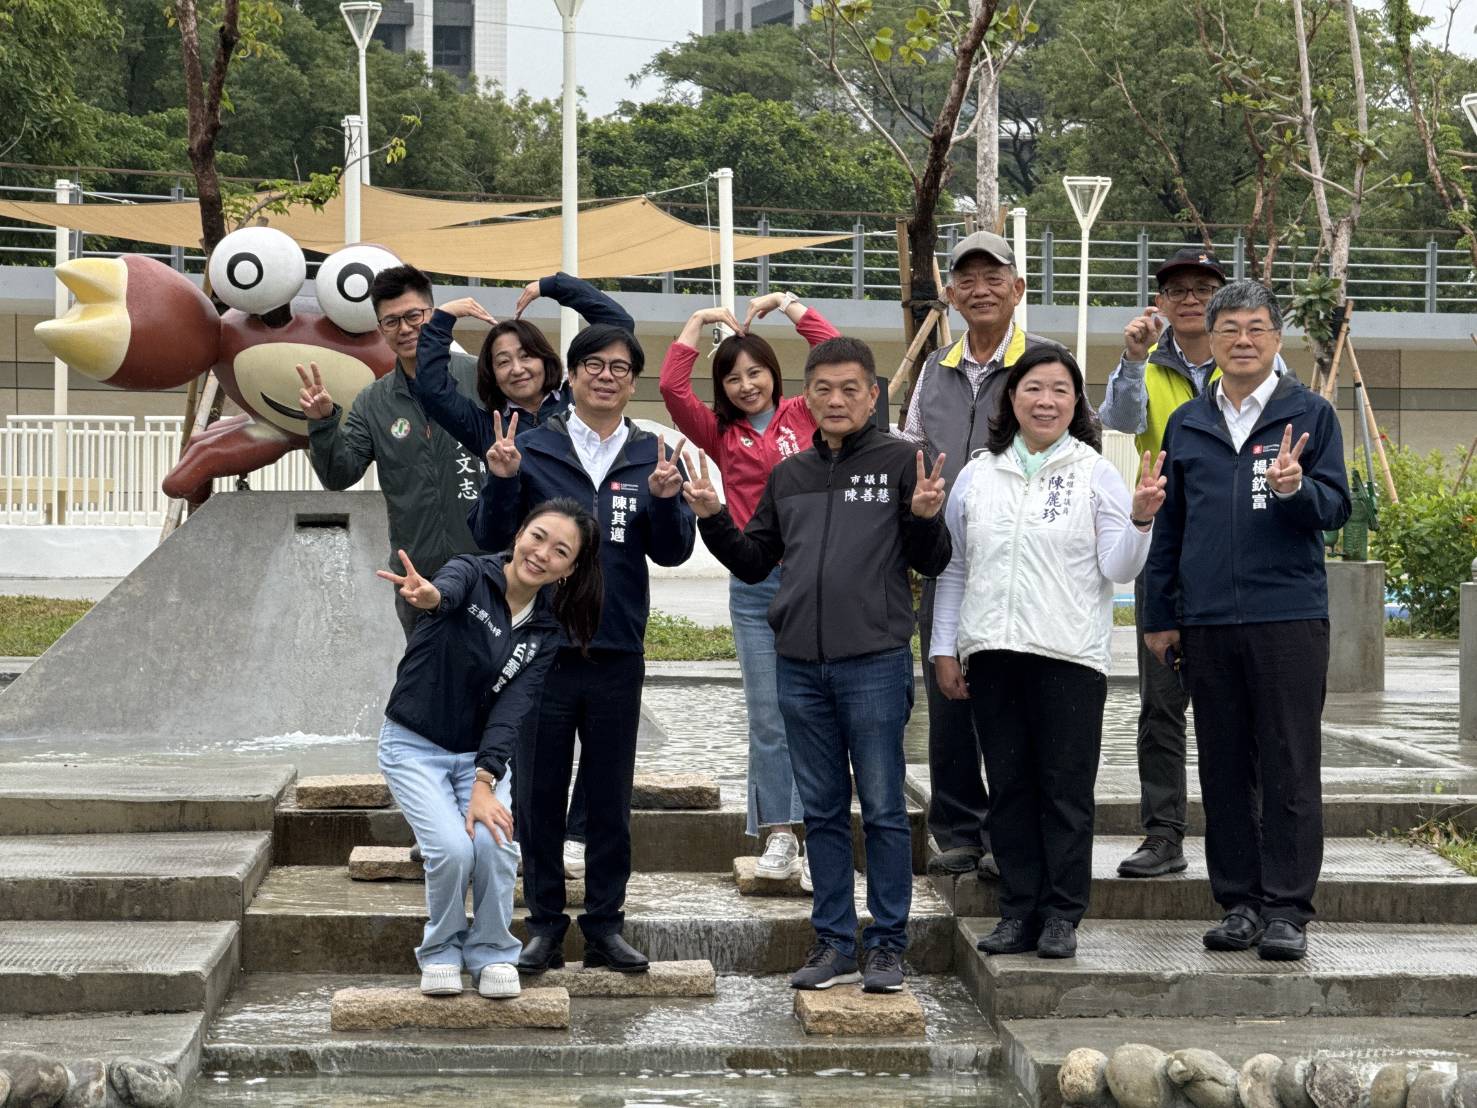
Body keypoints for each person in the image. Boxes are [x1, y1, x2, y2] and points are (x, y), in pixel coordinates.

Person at [684, 336, 953, 995]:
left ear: (872, 395)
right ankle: (833, 942)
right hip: (800, 665)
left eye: (850, 389)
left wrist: (924, 517)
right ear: (806, 397)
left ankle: (886, 946)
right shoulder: (791, 475)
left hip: (874, 663)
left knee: (883, 808)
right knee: (824, 812)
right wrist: (713, 518)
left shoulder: (901, 461)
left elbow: (932, 560)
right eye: (823, 389)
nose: (836, 400)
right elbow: (754, 561)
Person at [469, 323, 696, 975]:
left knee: (608, 796)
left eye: (619, 367)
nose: (605, 376)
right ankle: (543, 925)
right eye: (593, 365)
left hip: (617, 650)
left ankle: (604, 925)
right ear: (570, 376)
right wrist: (502, 481)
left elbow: (673, 551)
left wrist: (666, 503)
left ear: (632, 381)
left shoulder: (653, 454)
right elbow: (489, 535)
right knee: (538, 796)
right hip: (542, 649)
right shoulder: (531, 447)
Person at [931, 347, 1166, 959]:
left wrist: (1141, 521)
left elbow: (1118, 567)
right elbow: (955, 568)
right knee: (1008, 787)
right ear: (1012, 398)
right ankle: (1017, 911)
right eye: (1034, 388)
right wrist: (944, 647)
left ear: (1076, 403)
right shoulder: (978, 475)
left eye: (1061, 390)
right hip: (992, 652)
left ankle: (1061, 914)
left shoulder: (1095, 473)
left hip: (1069, 656)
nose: (1046, 401)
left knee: (1065, 790)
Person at [1143, 280, 1350, 962]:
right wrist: (1159, 615)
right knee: (1223, 765)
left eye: (1256, 327)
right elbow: (1170, 526)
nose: (1242, 340)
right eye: (1228, 328)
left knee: (1290, 763)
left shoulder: (1309, 413)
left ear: (1276, 337)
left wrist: (1296, 489)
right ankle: (1238, 903)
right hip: (1206, 622)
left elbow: (1336, 506)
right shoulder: (1188, 422)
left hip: (1287, 616)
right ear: (1210, 337)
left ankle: (1286, 908)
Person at [412, 273, 630, 884]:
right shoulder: (490, 427)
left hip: (601, 591)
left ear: (549, 361)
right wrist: (441, 321)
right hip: (536, 596)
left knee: (606, 742)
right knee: (534, 736)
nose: (515, 368)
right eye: (501, 361)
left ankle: (578, 833)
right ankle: (529, 853)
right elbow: (432, 388)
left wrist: (556, 286)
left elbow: (616, 328)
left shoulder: (576, 408)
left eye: (525, 354)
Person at [374, 499, 603, 999]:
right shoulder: (471, 573)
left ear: (569, 569)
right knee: (452, 850)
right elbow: (445, 594)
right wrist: (431, 597)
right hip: (413, 745)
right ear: (518, 534)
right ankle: (441, 951)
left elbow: (511, 711)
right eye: (537, 537)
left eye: (560, 551)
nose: (542, 554)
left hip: (478, 757)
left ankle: (493, 952)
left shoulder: (545, 630)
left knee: (496, 846)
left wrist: (485, 779)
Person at [658, 290, 841, 889]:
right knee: (768, 715)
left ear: (774, 374)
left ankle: (823, 834)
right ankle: (780, 834)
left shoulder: (805, 413)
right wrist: (697, 320)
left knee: (820, 712)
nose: (746, 385)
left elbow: (837, 352)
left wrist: (790, 304)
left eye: (755, 372)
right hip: (756, 585)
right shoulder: (719, 433)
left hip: (819, 583)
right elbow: (672, 389)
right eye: (733, 378)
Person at [898, 230, 1063, 881]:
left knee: (1013, 700)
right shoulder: (934, 369)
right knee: (949, 700)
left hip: (1021, 561)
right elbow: (912, 446)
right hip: (947, 557)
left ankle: (1010, 833)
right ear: (950, 293)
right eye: (966, 279)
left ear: (1017, 288)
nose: (980, 289)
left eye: (993, 277)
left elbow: (1073, 445)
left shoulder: (1043, 362)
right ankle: (959, 830)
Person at [1097, 248, 1225, 880]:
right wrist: (1132, 358)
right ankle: (1163, 834)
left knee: (1236, 702)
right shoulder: (1147, 365)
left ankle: (1241, 832)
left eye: (1204, 287)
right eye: (1178, 290)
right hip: (1166, 546)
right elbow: (1118, 421)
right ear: (1161, 303)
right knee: (1162, 703)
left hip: (1235, 549)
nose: (1191, 299)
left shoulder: (1251, 358)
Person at [297, 264, 485, 640]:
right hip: (418, 577)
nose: (405, 328)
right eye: (391, 321)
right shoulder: (373, 402)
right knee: (427, 674)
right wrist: (323, 423)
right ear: (381, 329)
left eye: (414, 315)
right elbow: (338, 475)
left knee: (499, 672)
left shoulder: (480, 377)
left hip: (491, 567)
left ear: (433, 314)